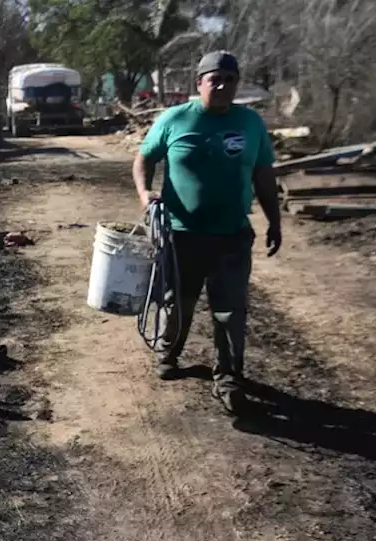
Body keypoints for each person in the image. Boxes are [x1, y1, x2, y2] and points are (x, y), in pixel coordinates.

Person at [131, 51, 283, 414]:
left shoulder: (250, 123)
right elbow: (144, 158)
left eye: (230, 79)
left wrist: (274, 220)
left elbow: (264, 175)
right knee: (177, 301)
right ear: (198, 83)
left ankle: (228, 378)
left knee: (230, 311)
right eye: (214, 78)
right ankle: (169, 351)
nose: (222, 85)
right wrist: (144, 193)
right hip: (180, 235)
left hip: (231, 235)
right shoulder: (175, 118)